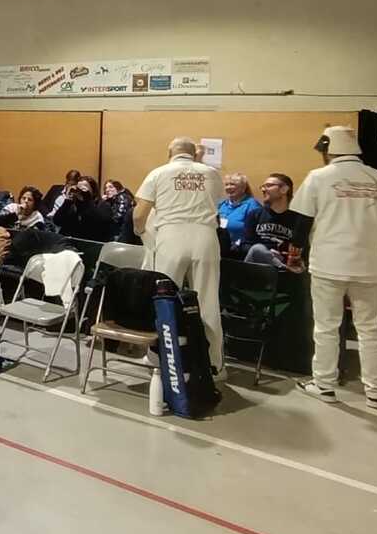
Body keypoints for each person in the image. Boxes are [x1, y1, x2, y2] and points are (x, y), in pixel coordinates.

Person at [297, 125, 377, 408]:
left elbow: (303, 222)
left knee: (326, 327)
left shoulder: (318, 177)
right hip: (368, 265)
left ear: (328, 149)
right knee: (370, 330)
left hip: (327, 263)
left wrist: (295, 253)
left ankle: (323, 385)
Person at [134, 138, 226, 376]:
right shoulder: (211, 173)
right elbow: (218, 201)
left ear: (169, 153)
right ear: (194, 153)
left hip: (171, 237)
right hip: (205, 238)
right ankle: (214, 364)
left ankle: (159, 357)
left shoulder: (158, 173)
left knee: (165, 299)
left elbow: (139, 215)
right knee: (208, 302)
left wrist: (141, 231)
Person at [243, 173, 311, 271]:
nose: (263, 189)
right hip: (256, 266)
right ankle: (284, 268)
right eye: (263, 186)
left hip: (285, 262)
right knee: (257, 249)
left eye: (268, 185)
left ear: (284, 189)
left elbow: (303, 250)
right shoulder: (255, 214)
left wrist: (283, 255)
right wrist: (269, 253)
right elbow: (245, 246)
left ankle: (284, 268)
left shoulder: (298, 220)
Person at [217, 173, 264, 255]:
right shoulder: (221, 204)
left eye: (232, 184)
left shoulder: (252, 206)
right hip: (219, 248)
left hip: (239, 252)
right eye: (226, 184)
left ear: (243, 188)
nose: (228, 187)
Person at [101, 180, 138, 244]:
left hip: (120, 235)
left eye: (111, 187)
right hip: (122, 233)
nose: (107, 190)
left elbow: (118, 217)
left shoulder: (122, 197)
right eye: (105, 188)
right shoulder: (114, 200)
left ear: (118, 188)